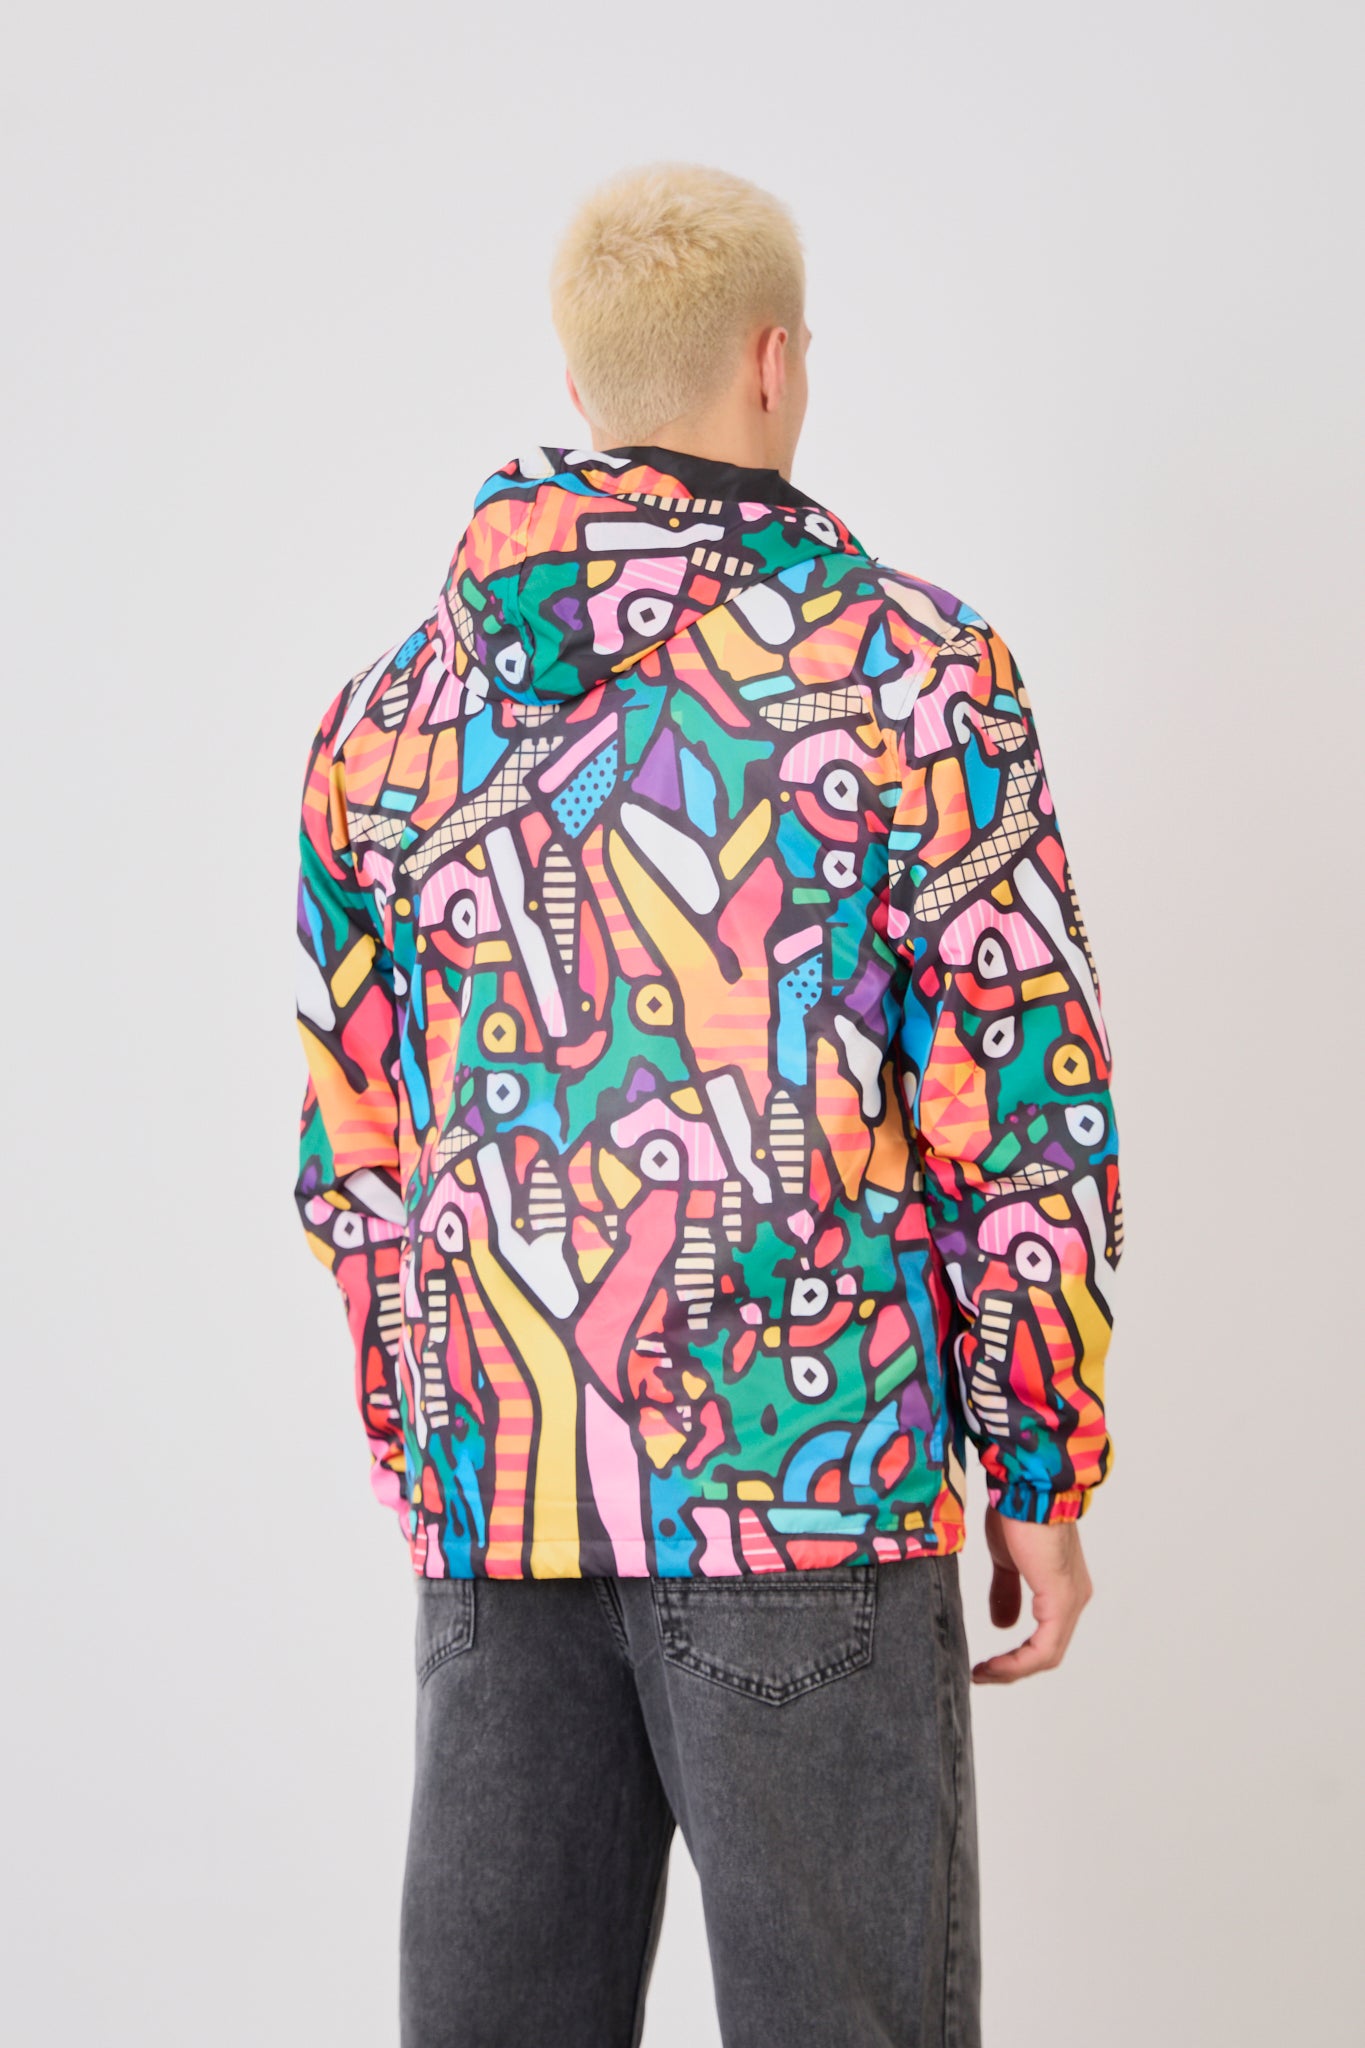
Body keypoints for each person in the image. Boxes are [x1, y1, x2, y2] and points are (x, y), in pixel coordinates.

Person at [293, 161, 1120, 2048]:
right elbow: (1019, 1114)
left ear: (579, 387)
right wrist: (1038, 1470)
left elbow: (352, 1144)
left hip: (499, 1510)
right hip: (807, 1491)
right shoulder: (915, 675)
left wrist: (447, 1447)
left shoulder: (384, 720)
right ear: (772, 361)